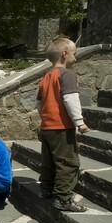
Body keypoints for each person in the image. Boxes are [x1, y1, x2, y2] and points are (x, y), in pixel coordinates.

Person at [36, 37, 89, 212]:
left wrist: (45, 118)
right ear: (65, 54)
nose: (76, 57)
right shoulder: (67, 75)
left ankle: (46, 188)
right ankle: (64, 198)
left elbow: (39, 103)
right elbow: (70, 99)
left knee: (49, 160)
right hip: (61, 127)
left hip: (47, 127)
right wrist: (79, 122)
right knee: (68, 162)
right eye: (74, 53)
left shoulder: (45, 77)